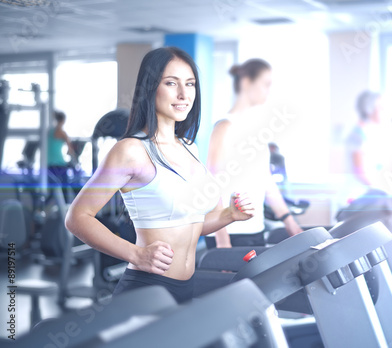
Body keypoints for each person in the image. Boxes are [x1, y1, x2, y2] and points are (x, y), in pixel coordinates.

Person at [65, 47, 255, 303]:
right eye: (171, 83)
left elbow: (190, 226)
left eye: (190, 84)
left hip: (186, 288)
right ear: (150, 88)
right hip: (147, 290)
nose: (183, 94)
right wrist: (136, 254)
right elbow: (77, 217)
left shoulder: (189, 147)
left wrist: (228, 215)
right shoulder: (131, 150)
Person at [205, 58, 302, 249]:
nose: (268, 90)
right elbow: (212, 185)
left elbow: (267, 183)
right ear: (246, 82)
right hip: (229, 234)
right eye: (265, 84)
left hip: (254, 230)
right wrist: (222, 240)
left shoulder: (258, 131)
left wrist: (290, 223)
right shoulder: (224, 126)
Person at [344, 90, 392, 201]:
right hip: (356, 195)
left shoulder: (370, 134)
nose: (384, 111)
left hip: (368, 194)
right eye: (380, 107)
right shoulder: (357, 136)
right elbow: (359, 171)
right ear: (369, 109)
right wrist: (379, 190)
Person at [47, 110, 75, 202]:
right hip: (59, 164)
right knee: (65, 190)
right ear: (63, 121)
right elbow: (70, 150)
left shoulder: (49, 132)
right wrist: (72, 155)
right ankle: (66, 212)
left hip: (49, 165)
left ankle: (40, 210)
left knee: (51, 192)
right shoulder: (62, 133)